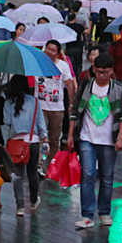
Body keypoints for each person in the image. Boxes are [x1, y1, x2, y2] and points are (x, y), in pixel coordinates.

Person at [69, 54, 122, 229]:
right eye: (98, 72)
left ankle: (104, 211)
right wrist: (71, 134)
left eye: (105, 72)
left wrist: (121, 137)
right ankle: (87, 214)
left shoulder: (117, 88)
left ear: (111, 71)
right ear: (93, 70)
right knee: (88, 174)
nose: (101, 75)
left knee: (107, 177)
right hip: (87, 137)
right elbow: (75, 110)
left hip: (109, 140)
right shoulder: (86, 86)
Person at [4, 74, 47, 217]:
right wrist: (44, 138)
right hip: (33, 142)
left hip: (16, 144)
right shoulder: (34, 101)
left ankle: (20, 206)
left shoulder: (8, 103)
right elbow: (40, 123)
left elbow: (7, 121)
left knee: (18, 175)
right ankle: (34, 200)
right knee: (32, 172)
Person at [38, 40, 77, 168]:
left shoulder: (63, 66)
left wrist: (71, 103)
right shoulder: (38, 62)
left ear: (57, 53)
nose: (49, 52)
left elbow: (69, 84)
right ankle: (40, 162)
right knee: (41, 138)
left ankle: (51, 163)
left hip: (57, 108)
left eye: (53, 50)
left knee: (54, 139)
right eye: (48, 49)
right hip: (40, 107)